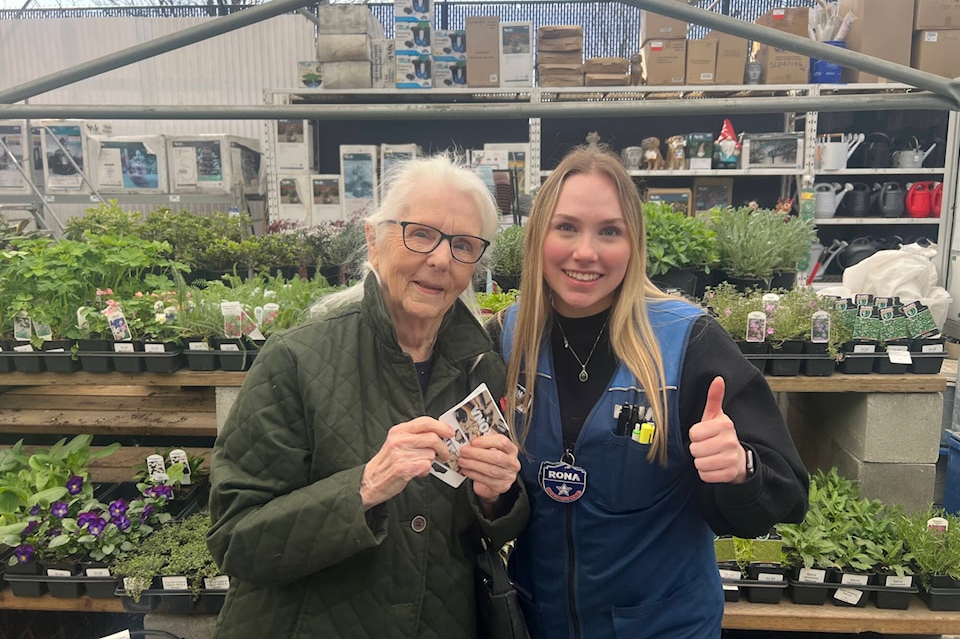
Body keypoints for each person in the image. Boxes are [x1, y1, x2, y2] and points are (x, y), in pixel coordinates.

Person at [492, 146, 809, 638]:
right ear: (538, 236)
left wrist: (740, 469)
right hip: (539, 622)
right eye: (567, 227)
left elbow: (788, 493)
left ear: (633, 244)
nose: (586, 252)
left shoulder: (688, 343)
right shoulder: (510, 339)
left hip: (662, 626)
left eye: (610, 232)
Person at [207, 154, 529, 638]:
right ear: (374, 241)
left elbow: (487, 531)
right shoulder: (296, 360)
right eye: (420, 233)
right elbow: (236, 542)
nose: (441, 259)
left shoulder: (480, 367)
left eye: (463, 245)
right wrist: (365, 486)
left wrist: (496, 498)